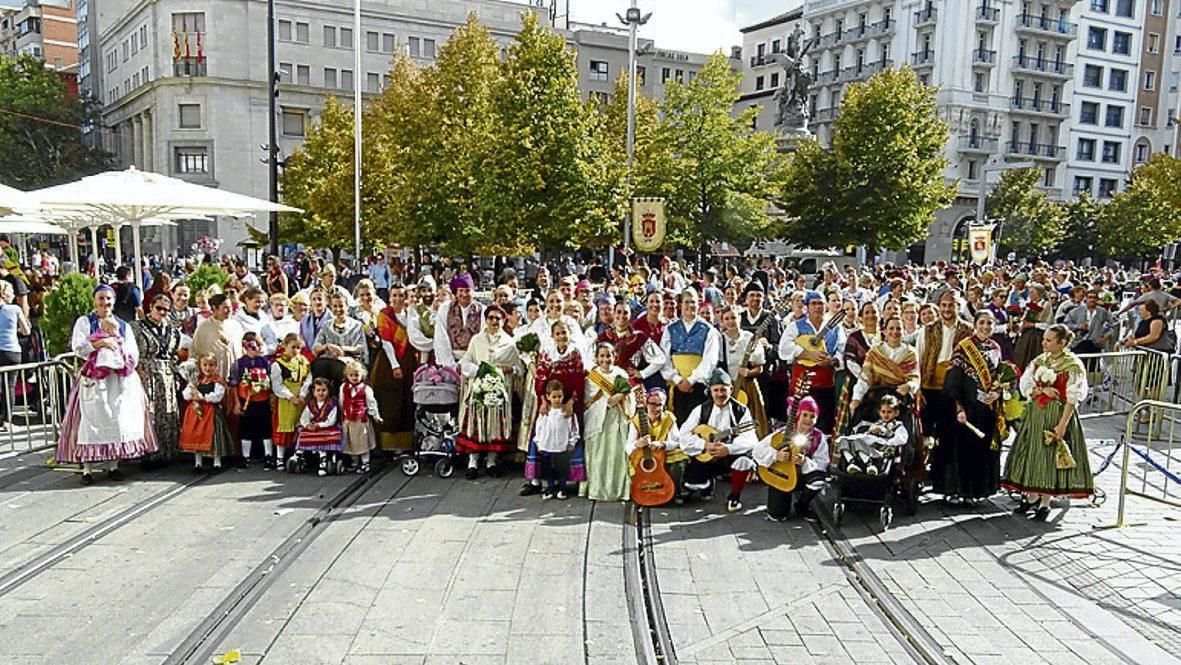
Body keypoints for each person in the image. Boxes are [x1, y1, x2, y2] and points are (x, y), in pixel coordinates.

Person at [56, 285, 158, 484]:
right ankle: (87, 468)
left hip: (117, 379)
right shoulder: (86, 322)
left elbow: (132, 351)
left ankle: (113, 465)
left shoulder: (123, 325)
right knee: (89, 421)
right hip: (94, 378)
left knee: (116, 418)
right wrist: (100, 344)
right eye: (101, 299)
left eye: (108, 299)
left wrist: (122, 359)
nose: (105, 303)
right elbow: (79, 347)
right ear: (95, 300)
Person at [1002, 324, 1092, 521]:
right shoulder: (1040, 360)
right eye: (1044, 339)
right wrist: (1041, 391)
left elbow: (1072, 399)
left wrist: (1062, 425)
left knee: (1051, 458)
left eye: (1049, 340)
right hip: (1036, 415)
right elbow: (1026, 385)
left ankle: (1045, 502)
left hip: (1056, 416)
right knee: (1034, 454)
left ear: (1062, 343)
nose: (1043, 343)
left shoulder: (1072, 365)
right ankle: (1032, 496)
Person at [935, 311, 1004, 505]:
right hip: (965, 406)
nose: (985, 327)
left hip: (986, 408)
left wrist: (997, 393)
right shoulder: (964, 347)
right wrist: (958, 408)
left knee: (980, 449)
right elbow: (953, 380)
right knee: (960, 449)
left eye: (989, 323)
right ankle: (957, 490)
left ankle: (975, 491)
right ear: (974, 324)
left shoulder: (996, 348)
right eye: (982, 322)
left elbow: (1001, 376)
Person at [677, 369, 758, 512]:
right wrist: (704, 445)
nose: (720, 394)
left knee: (744, 462)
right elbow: (683, 435)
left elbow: (751, 438)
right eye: (716, 390)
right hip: (706, 455)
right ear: (710, 391)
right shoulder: (700, 410)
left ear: (731, 389)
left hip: (729, 456)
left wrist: (728, 449)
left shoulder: (741, 410)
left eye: (723, 390)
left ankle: (734, 496)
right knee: (693, 476)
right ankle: (702, 485)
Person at [455, 305, 520, 479]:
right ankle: (472, 463)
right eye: (491, 318)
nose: (494, 321)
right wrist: (479, 370)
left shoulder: (510, 342)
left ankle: (491, 462)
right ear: (486, 319)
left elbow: (518, 368)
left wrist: (509, 369)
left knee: (495, 427)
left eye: (497, 318)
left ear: (503, 320)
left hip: (499, 390)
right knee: (476, 425)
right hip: (479, 388)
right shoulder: (477, 340)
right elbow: (466, 361)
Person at [753, 396, 829, 522]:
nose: (808, 419)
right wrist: (776, 455)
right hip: (782, 475)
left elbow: (823, 463)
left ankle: (802, 506)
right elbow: (757, 451)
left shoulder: (819, 438)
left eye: (812, 416)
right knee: (778, 516)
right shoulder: (782, 432)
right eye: (805, 415)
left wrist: (805, 462)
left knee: (818, 480)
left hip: (802, 477)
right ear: (798, 415)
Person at [779, 290, 844, 433]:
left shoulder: (836, 328)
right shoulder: (796, 326)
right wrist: (807, 354)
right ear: (807, 306)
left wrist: (832, 361)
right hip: (801, 382)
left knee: (824, 421)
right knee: (799, 421)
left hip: (825, 383)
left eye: (820, 303)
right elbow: (783, 349)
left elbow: (842, 350)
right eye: (813, 304)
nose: (817, 307)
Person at [131, 294, 184, 465]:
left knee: (167, 413)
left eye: (166, 310)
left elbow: (175, 354)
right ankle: (149, 453)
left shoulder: (172, 330)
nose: (162, 313)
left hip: (167, 374)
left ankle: (168, 451)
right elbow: (131, 352)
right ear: (151, 307)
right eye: (159, 308)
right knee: (150, 412)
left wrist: (176, 374)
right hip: (146, 373)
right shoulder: (137, 327)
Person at [915, 289, 971, 449]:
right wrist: (918, 388)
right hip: (929, 386)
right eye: (943, 305)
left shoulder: (968, 331)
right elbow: (918, 359)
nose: (947, 309)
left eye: (951, 305)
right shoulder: (927, 330)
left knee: (949, 432)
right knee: (926, 432)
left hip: (954, 388)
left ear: (958, 307)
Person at [660, 289, 722, 425]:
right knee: (678, 423)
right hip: (677, 385)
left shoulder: (708, 329)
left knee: (698, 425)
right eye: (686, 302)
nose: (690, 306)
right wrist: (677, 379)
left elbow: (710, 359)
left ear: (698, 304)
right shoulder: (670, 329)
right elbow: (664, 357)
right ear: (680, 305)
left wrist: (692, 380)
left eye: (693, 302)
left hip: (699, 386)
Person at [370, 283, 418, 452]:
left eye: (401, 295)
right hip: (389, 363)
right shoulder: (384, 315)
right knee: (390, 401)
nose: (398, 299)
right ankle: (387, 444)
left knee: (406, 400)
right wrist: (395, 365)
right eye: (394, 295)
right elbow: (386, 341)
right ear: (389, 297)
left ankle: (405, 443)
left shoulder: (411, 314)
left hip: (409, 360)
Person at [582, 343, 632, 502]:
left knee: (616, 453)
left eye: (608, 355)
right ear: (596, 358)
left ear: (614, 356)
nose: (605, 359)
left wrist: (621, 397)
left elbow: (629, 396)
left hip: (617, 418)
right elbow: (588, 400)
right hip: (598, 420)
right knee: (599, 454)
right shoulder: (592, 376)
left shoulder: (621, 373)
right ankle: (597, 488)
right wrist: (605, 402)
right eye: (602, 356)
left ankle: (619, 489)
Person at [625, 387, 687, 502]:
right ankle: (640, 491)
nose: (656, 408)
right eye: (652, 404)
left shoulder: (669, 418)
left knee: (679, 458)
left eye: (660, 405)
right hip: (642, 459)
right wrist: (637, 444)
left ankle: (675, 492)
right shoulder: (637, 420)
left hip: (662, 456)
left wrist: (663, 444)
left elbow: (678, 441)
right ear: (645, 403)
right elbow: (628, 446)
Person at [524, 380, 582, 500]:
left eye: (559, 396)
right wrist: (539, 443)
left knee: (562, 469)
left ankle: (562, 488)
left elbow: (574, 429)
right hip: (547, 446)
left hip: (562, 447)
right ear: (548, 397)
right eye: (554, 397)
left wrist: (572, 442)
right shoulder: (545, 413)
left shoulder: (567, 413)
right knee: (548, 469)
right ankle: (550, 489)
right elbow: (539, 429)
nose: (557, 399)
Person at [719, 305, 769, 439]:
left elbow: (760, 367)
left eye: (733, 317)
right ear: (722, 321)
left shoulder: (749, 338)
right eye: (727, 319)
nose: (731, 322)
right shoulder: (720, 340)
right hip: (729, 387)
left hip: (748, 386)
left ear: (739, 318)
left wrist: (748, 372)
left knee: (754, 418)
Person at [179, 352, 235, 471]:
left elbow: (218, 396)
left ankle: (217, 461)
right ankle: (198, 462)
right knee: (196, 436)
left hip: (210, 412)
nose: (207, 368)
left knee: (214, 435)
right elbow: (185, 395)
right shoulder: (195, 381)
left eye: (211, 365)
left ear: (215, 366)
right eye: (205, 365)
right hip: (195, 412)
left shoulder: (217, 381)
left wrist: (203, 397)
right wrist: (191, 393)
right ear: (200, 366)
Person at [228, 332, 275, 468]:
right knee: (246, 428)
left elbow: (271, 381)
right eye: (255, 346)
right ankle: (245, 457)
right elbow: (233, 385)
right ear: (246, 347)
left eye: (260, 346)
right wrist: (237, 403)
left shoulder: (265, 362)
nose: (258, 349)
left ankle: (268, 455)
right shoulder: (239, 364)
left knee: (265, 428)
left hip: (263, 400)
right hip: (246, 401)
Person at [836, 394, 907, 475]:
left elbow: (902, 438)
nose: (886, 415)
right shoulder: (876, 424)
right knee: (843, 441)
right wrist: (871, 431)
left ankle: (869, 465)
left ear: (896, 413)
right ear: (879, 412)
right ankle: (851, 462)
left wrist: (888, 442)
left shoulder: (898, 426)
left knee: (858, 442)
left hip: (881, 451)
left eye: (889, 412)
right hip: (866, 447)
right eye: (883, 412)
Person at [270, 333, 311, 470]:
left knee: (300, 425)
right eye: (293, 347)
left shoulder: (303, 361)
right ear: (285, 346)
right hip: (285, 400)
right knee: (284, 426)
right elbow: (277, 385)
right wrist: (289, 396)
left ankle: (298, 454)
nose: (296, 351)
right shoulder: (278, 364)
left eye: (299, 347)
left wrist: (303, 394)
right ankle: (280, 458)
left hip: (300, 397)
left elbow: (308, 378)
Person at [312, 294, 367, 389]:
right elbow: (316, 348)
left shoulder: (357, 325)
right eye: (335, 306)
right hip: (328, 360)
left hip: (348, 361)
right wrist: (327, 346)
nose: (338, 309)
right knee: (318, 366)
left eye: (341, 306)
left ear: (347, 306)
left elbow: (361, 348)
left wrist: (343, 349)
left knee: (340, 368)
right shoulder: (326, 325)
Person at [339, 360, 381, 473]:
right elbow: (341, 402)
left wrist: (376, 416)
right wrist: (343, 414)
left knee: (362, 442)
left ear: (362, 375)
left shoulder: (366, 389)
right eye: (351, 375)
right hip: (349, 420)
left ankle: (365, 462)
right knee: (351, 442)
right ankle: (354, 462)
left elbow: (372, 403)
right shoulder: (344, 387)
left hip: (360, 420)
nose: (354, 377)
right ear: (347, 375)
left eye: (357, 375)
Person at [298, 377, 344, 476]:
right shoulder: (311, 404)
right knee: (301, 432)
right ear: (314, 392)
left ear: (328, 391)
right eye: (318, 390)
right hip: (314, 427)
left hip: (327, 427)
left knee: (326, 435)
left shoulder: (332, 404)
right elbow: (304, 418)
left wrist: (319, 425)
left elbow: (331, 420)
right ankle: (299, 455)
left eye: (323, 390)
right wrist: (307, 425)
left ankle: (323, 459)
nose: (321, 393)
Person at [0, 280, 31, 431]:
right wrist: (16, 330)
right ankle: (7, 421)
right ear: (3, 293)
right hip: (11, 350)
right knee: (9, 386)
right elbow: (26, 331)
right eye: (11, 291)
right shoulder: (14, 309)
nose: (13, 294)